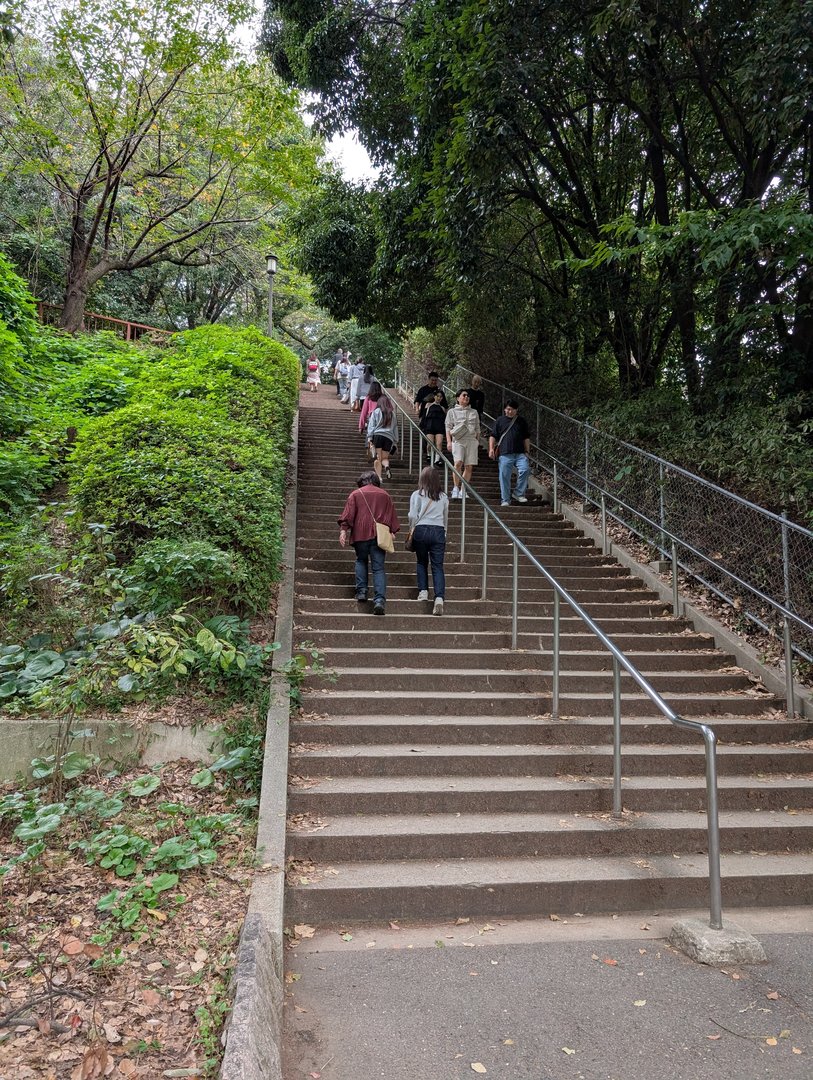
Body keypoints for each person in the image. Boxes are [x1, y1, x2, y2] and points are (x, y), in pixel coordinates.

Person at [337, 471, 400, 615]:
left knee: (361, 560)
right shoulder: (385, 495)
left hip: (360, 533)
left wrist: (343, 531)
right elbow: (391, 516)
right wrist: (392, 532)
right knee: (378, 568)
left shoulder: (355, 494)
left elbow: (348, 515)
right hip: (379, 535)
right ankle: (379, 601)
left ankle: (362, 592)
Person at [408, 465, 448, 616]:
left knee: (421, 562)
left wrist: (412, 528)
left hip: (421, 529)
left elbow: (412, 515)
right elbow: (445, 517)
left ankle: (423, 592)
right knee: (438, 566)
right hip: (438, 531)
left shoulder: (416, 495)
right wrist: (444, 532)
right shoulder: (443, 496)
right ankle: (439, 598)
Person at [489, 399, 531, 507]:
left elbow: (526, 437)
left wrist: (527, 451)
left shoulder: (521, 421)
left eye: (512, 409)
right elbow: (493, 436)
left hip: (520, 452)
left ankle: (518, 493)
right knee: (504, 476)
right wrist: (491, 449)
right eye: (508, 409)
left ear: (516, 410)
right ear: (504, 409)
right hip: (505, 453)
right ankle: (505, 499)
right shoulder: (500, 420)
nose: (510, 411)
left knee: (525, 469)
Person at [445, 389, 480, 499]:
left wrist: (477, 441)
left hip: (471, 440)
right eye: (464, 395)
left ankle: (463, 490)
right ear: (458, 398)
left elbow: (478, 428)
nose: (466, 397)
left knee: (469, 466)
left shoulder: (474, 412)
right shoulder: (452, 412)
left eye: (468, 396)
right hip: (458, 440)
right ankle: (455, 488)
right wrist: (449, 442)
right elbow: (448, 427)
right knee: (458, 463)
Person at [367, 392, 398, 480]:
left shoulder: (376, 412)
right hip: (389, 438)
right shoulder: (393, 415)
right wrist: (395, 441)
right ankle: (387, 466)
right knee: (384, 458)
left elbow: (371, 426)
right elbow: (395, 428)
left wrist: (370, 438)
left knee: (377, 458)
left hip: (378, 436)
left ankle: (379, 477)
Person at [420, 390, 447, 463]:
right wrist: (423, 426)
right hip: (430, 426)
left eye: (441, 397)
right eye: (437, 396)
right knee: (430, 444)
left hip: (439, 427)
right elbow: (424, 416)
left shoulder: (442, 408)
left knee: (439, 443)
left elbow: (445, 420)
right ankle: (429, 454)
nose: (439, 398)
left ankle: (437, 459)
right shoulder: (428, 405)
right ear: (434, 396)